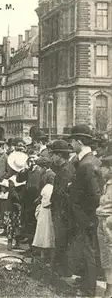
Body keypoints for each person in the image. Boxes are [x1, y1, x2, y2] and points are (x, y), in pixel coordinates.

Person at [67, 124, 105, 297]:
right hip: (85, 215)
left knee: (88, 251)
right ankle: (84, 281)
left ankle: (89, 289)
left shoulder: (87, 164)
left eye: (72, 141)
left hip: (86, 216)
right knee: (85, 249)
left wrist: (88, 218)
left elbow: (94, 195)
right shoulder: (88, 161)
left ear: (79, 142)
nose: (71, 144)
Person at [48, 140, 75, 279]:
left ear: (59, 155)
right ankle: (60, 269)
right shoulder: (65, 168)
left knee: (62, 240)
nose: (51, 157)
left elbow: (63, 193)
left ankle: (62, 270)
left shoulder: (65, 171)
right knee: (61, 240)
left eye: (53, 154)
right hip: (60, 211)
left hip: (62, 212)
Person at [97, 155, 112, 298]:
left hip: (109, 223)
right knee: (106, 257)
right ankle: (109, 287)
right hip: (102, 222)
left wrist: (108, 223)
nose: (101, 169)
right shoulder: (106, 184)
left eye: (103, 167)